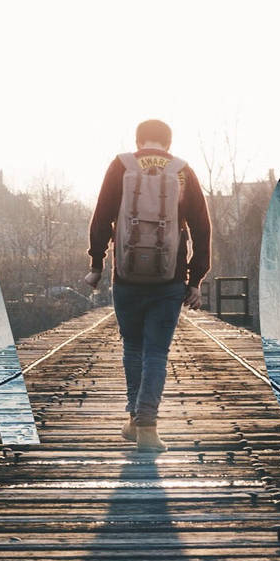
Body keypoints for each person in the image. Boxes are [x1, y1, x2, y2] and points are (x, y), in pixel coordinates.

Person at [85, 119, 212, 451]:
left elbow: (101, 217)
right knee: (156, 351)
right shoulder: (182, 170)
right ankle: (146, 426)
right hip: (169, 278)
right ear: (167, 144)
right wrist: (195, 278)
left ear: (139, 141)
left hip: (126, 278)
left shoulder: (121, 165)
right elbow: (202, 227)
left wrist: (97, 264)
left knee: (133, 348)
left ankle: (136, 420)